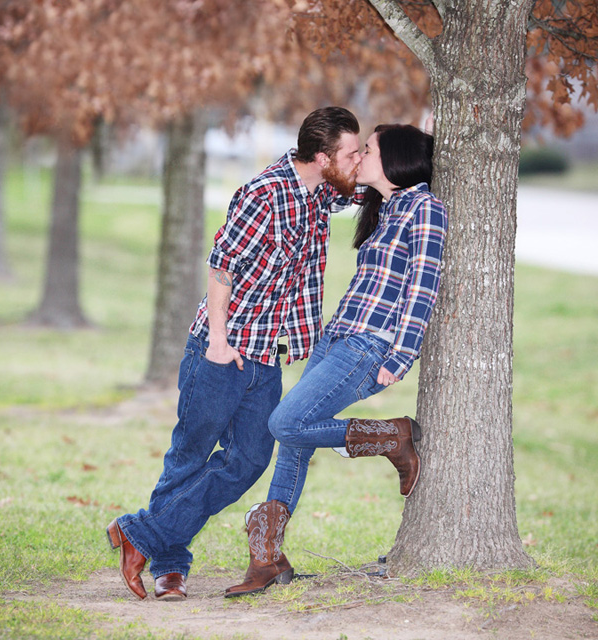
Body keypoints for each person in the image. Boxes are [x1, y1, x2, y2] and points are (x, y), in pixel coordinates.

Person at [106, 107, 365, 601]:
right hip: (222, 350)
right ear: (321, 156)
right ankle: (169, 566)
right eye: (351, 153)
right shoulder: (262, 194)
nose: (357, 160)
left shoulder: (322, 192)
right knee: (189, 456)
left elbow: (369, 184)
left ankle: (139, 533)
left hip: (265, 357)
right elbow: (221, 268)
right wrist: (219, 342)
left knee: (249, 460)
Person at [225, 123, 448, 598]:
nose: (359, 156)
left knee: (284, 424)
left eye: (368, 150)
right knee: (294, 443)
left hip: (367, 346)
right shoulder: (385, 205)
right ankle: (267, 560)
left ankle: (393, 437)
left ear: (395, 161)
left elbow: (422, 289)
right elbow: (317, 182)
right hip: (336, 338)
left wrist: (402, 355)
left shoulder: (425, 209)